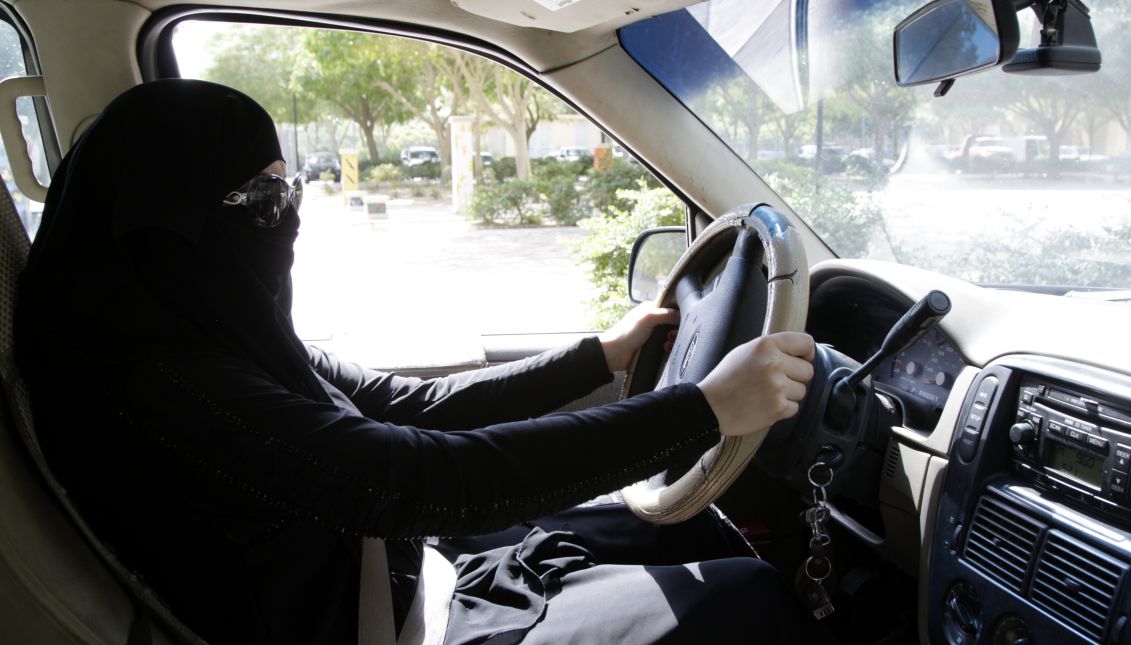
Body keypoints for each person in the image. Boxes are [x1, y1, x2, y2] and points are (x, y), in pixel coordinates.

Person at [16, 79, 817, 644]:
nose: (285, 219)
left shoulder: (206, 331)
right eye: (262, 201)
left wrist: (598, 357)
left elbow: (405, 403)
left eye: (287, 193)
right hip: (380, 622)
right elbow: (413, 480)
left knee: (658, 529)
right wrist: (703, 410)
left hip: (380, 577)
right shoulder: (160, 384)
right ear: (167, 218)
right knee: (747, 597)